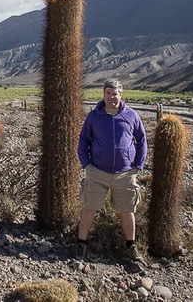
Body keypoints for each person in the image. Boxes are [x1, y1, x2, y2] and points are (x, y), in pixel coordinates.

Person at [76, 79, 147, 264]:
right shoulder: (94, 116)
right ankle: (80, 244)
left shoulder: (131, 116)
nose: (112, 97)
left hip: (125, 173)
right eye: (108, 93)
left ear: (121, 94)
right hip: (97, 172)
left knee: (127, 210)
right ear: (104, 94)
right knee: (89, 208)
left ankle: (130, 247)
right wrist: (87, 165)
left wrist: (137, 166)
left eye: (115, 93)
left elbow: (142, 141)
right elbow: (83, 141)